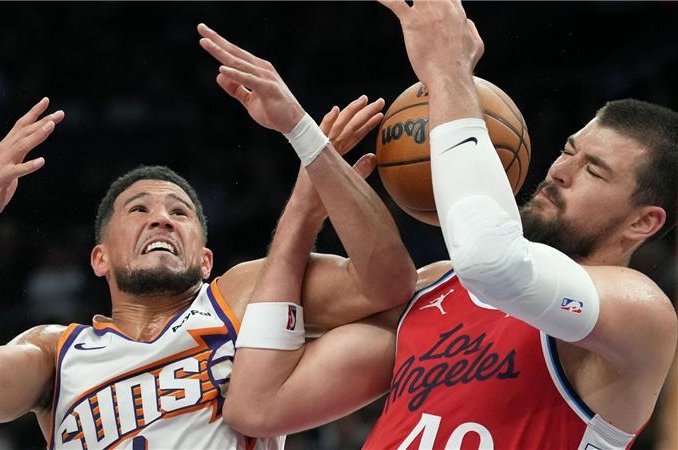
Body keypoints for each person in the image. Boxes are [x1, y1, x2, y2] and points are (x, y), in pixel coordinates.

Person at [204, 2, 678, 449]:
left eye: (593, 171)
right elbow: (259, 406)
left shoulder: (639, 314)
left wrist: (447, 72)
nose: (559, 171)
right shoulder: (437, 288)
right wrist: (306, 154)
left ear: (643, 221)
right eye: (568, 152)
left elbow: (496, 264)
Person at [0, 86, 416, 448]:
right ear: (99, 258)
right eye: (139, 210)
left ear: (205, 260)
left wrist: (321, 163)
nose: (162, 218)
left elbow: (387, 285)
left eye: (180, 213)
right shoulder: (56, 353)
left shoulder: (246, 294)